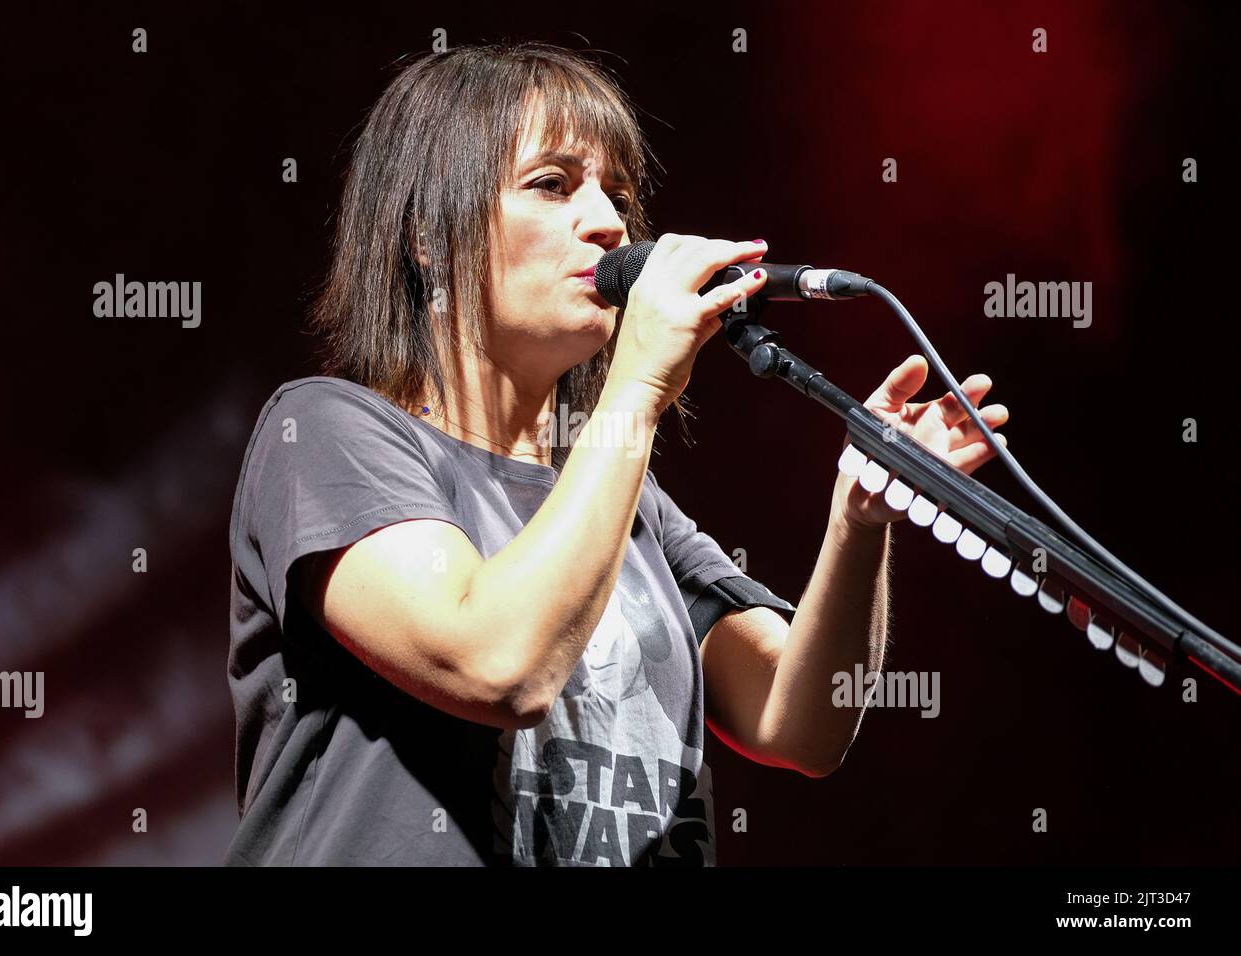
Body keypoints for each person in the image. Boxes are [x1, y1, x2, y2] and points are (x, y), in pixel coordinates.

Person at [223, 42, 1008, 866]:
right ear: (429, 237)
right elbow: (498, 665)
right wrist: (634, 390)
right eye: (553, 185)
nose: (608, 223)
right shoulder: (326, 432)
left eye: (618, 195)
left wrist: (859, 517)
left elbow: (799, 721)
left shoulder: (629, 501)